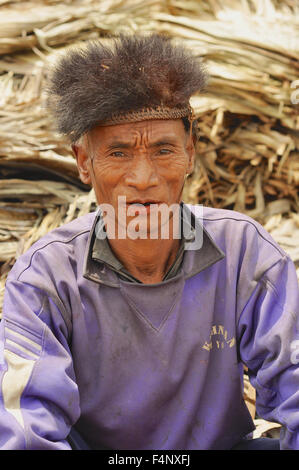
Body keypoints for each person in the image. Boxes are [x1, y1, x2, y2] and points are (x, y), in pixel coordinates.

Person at [0, 34, 298, 450]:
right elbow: (27, 431)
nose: (143, 179)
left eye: (163, 149)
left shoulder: (244, 253)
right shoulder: (47, 279)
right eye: (118, 153)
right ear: (84, 162)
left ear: (190, 153)